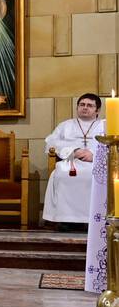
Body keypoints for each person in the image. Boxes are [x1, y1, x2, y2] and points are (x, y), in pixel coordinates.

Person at [44, 93, 105, 229]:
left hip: (97, 164)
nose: (85, 108)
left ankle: (95, 221)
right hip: (72, 162)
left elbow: (113, 146)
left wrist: (95, 155)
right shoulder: (65, 125)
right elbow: (50, 143)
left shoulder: (105, 125)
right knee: (61, 173)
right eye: (82, 105)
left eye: (90, 105)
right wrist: (74, 151)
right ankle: (67, 220)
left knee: (97, 176)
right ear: (77, 107)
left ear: (98, 110)